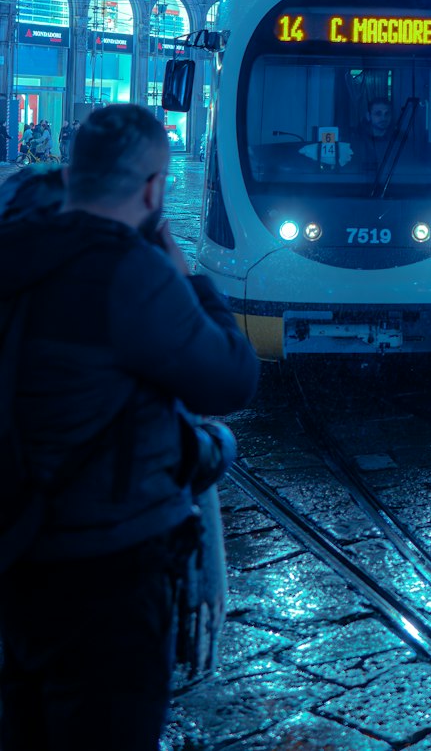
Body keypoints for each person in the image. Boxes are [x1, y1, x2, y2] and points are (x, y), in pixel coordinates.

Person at [0, 102, 259, 751]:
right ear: (152, 188)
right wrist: (190, 277)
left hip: (16, 548)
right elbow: (230, 377)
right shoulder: (130, 274)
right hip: (110, 567)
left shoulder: (13, 247)